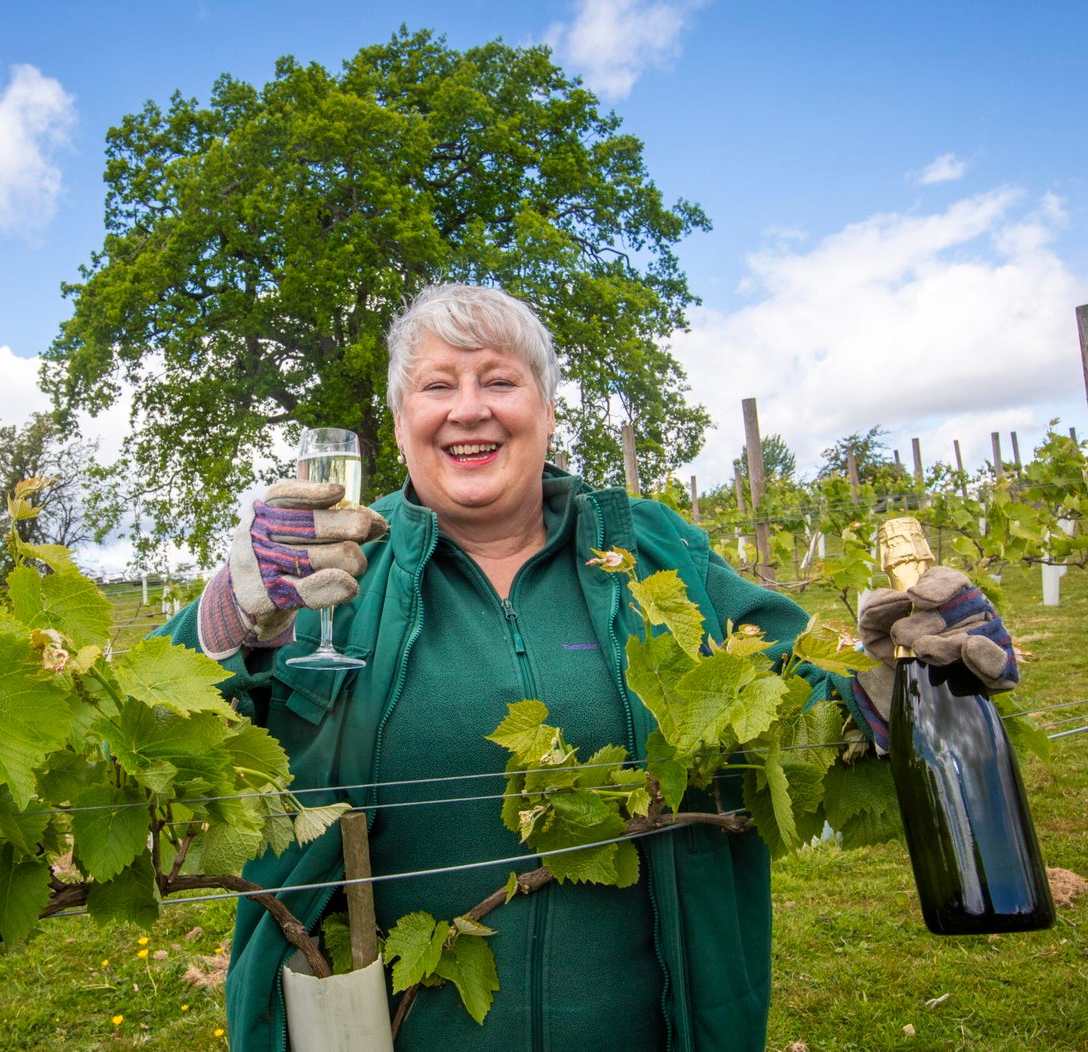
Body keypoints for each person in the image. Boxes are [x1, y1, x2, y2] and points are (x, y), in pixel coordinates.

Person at [154, 283, 1018, 1051]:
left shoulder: (647, 547)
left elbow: (782, 694)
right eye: (437, 386)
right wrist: (231, 616)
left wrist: (896, 681)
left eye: (500, 380)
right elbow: (155, 729)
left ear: (548, 410)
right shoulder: (323, 573)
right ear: (399, 419)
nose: (469, 409)